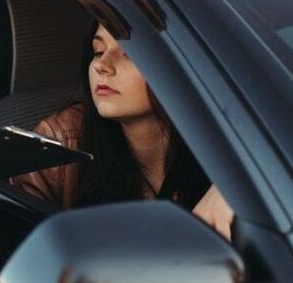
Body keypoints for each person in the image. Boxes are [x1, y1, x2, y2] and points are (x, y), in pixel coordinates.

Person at [13, 22, 235, 238]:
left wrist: (228, 191)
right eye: (98, 51)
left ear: (179, 66)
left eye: (130, 53)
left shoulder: (230, 144)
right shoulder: (60, 141)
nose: (102, 65)